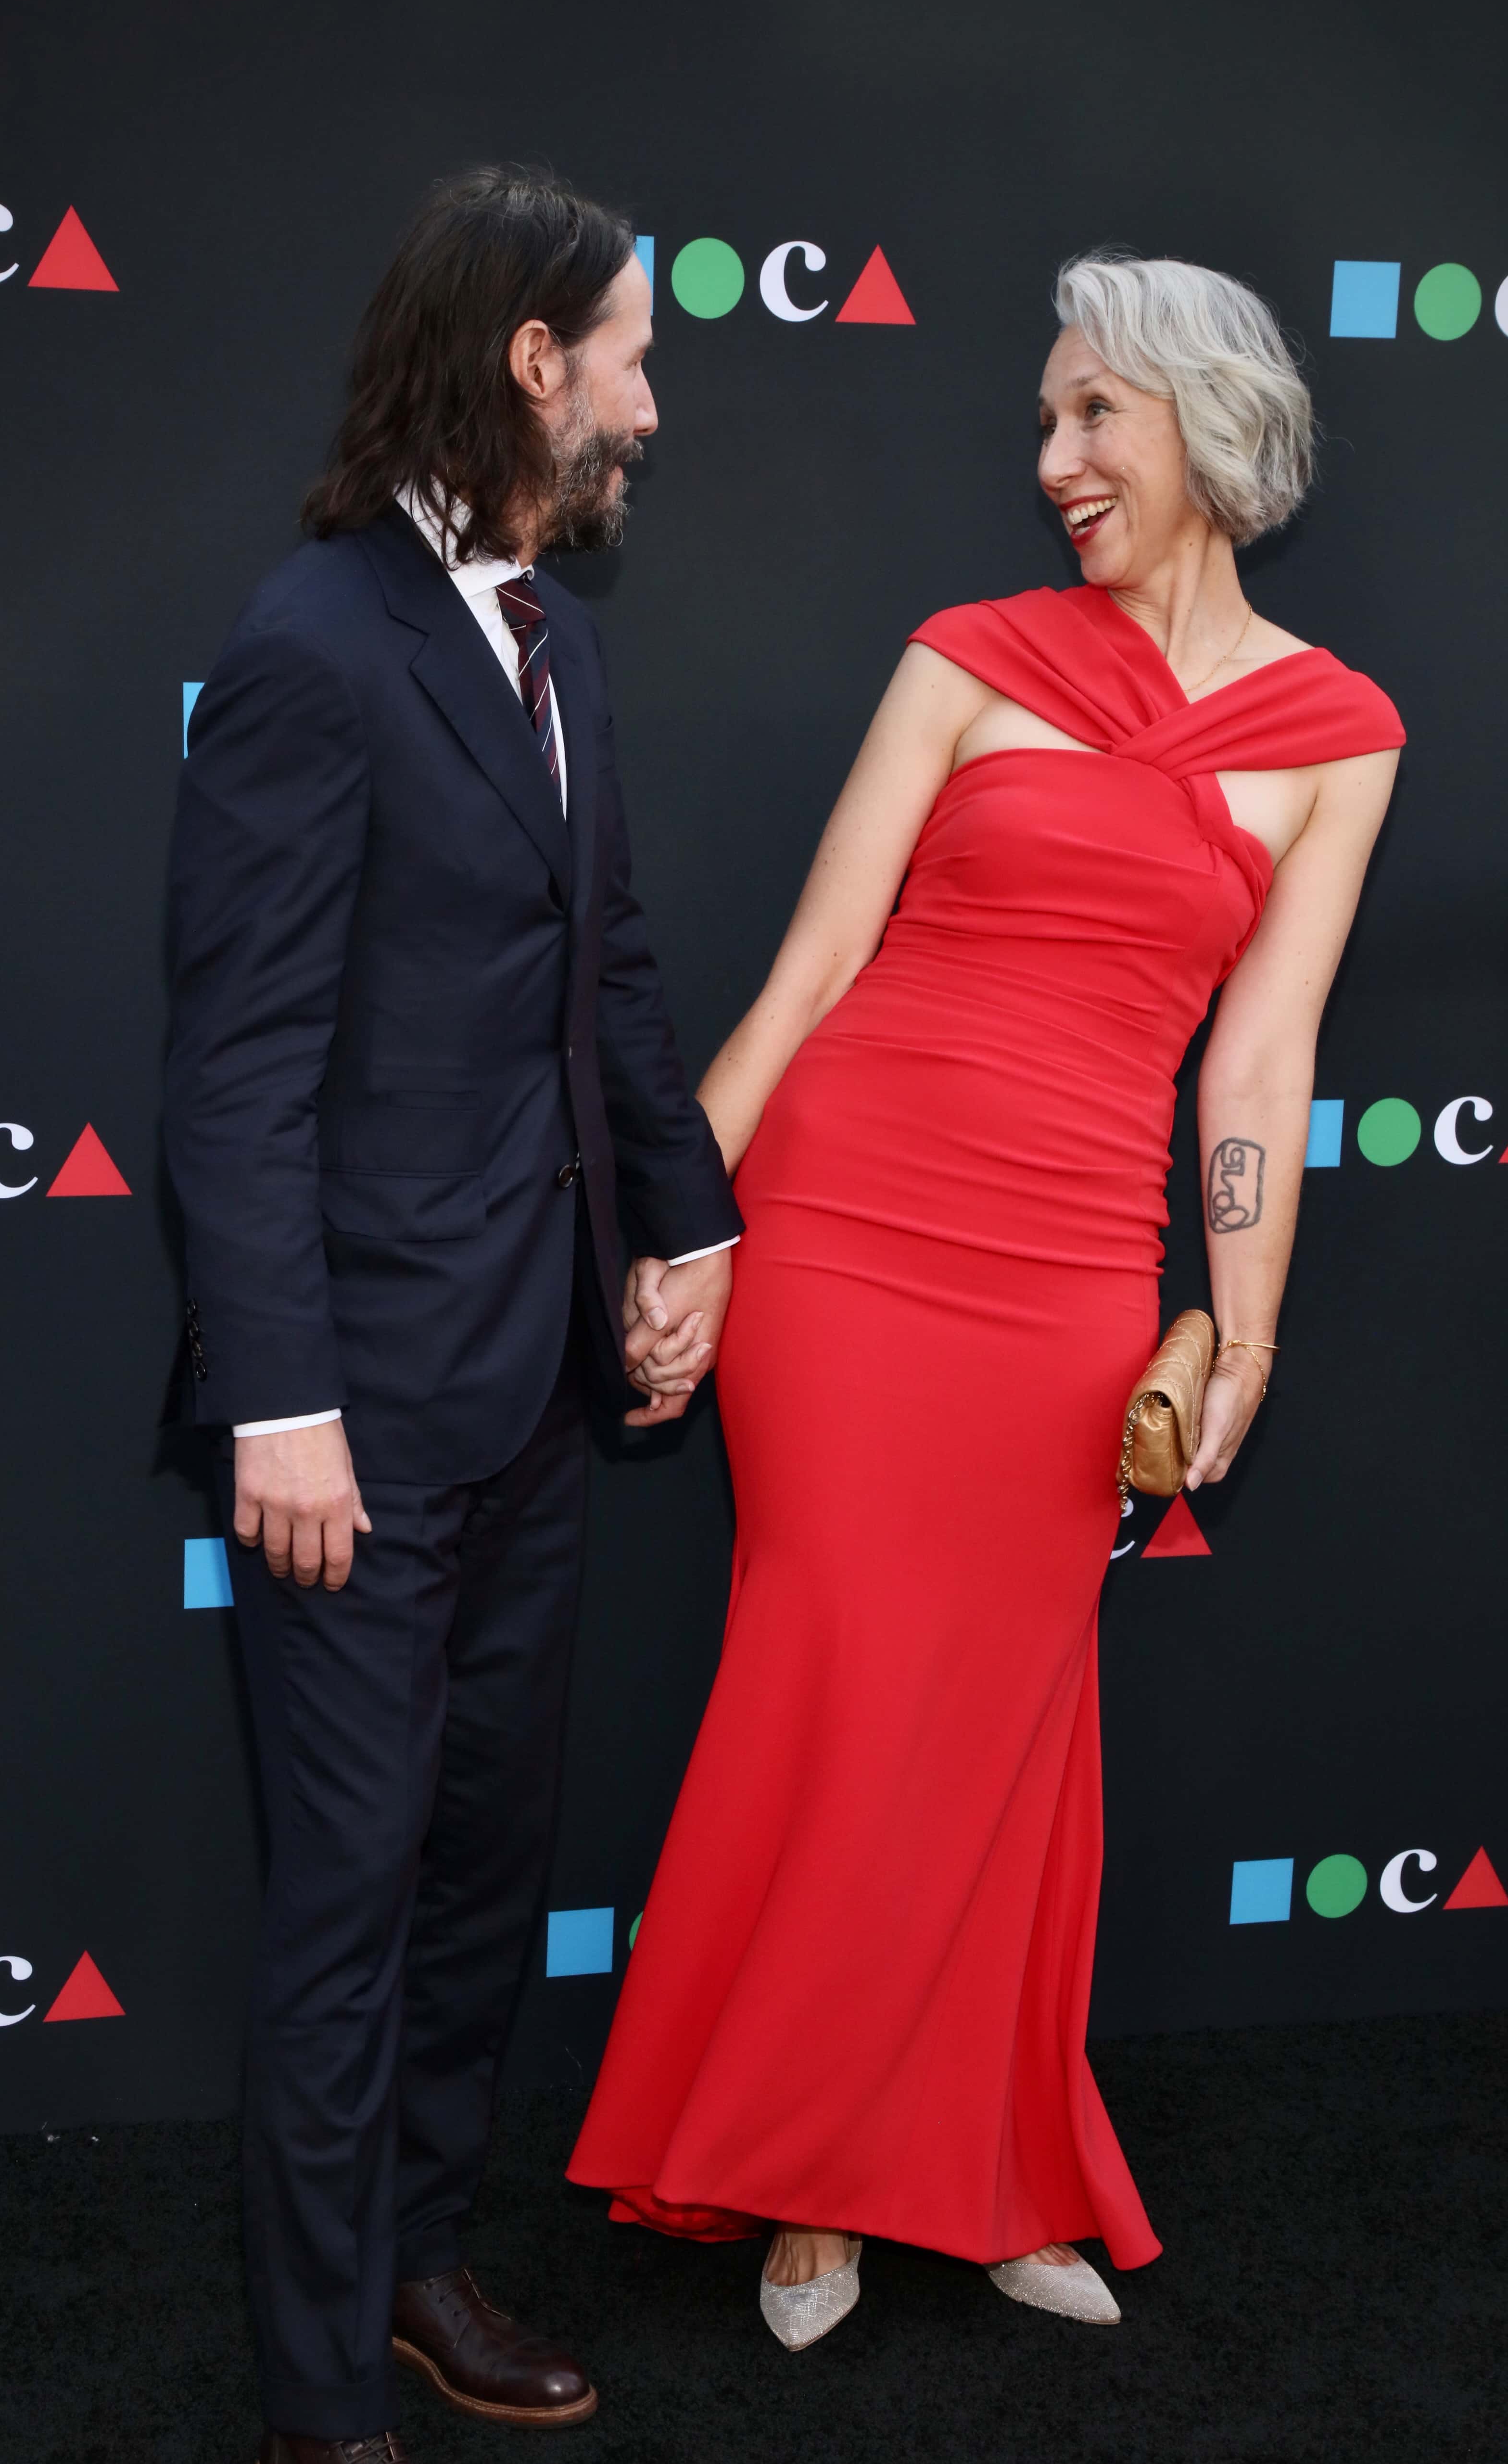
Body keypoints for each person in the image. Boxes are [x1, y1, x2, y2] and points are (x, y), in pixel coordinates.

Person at [571, 251, 1404, 2348]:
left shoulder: (1335, 733)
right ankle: (814, 2185)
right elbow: (811, 973)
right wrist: (689, 1228)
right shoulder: (969, 655)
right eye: (1045, 423)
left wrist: (1246, 1329)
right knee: (838, 1676)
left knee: (1016, 1727)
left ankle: (999, 2161)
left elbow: (1262, 1056)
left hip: (1067, 1274)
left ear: (1207, 424)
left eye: (1090, 418)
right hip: (849, 1230)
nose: (1053, 465)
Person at [162, 168, 739, 2464]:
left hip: (528, 1394)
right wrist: (280, 1400)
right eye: (625, 350)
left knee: (486, 1877)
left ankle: (413, 2267)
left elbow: (603, 965)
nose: (649, 395)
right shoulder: (315, 647)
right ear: (527, 363)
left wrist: (686, 1231)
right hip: (356, 1429)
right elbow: (235, 1064)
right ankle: (319, 2423)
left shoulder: (556, 649)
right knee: (347, 1919)